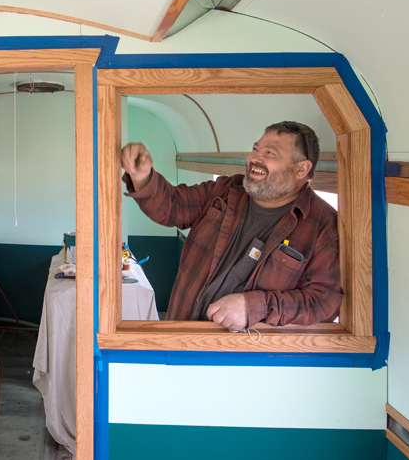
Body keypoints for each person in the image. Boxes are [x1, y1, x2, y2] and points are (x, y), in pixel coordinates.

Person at [121, 121, 342, 330]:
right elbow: (173, 206)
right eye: (255, 149)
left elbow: (323, 302)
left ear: (301, 169)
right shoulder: (226, 190)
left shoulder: (323, 226)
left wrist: (253, 307)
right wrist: (142, 176)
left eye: (269, 153)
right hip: (182, 332)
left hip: (245, 360)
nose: (255, 158)